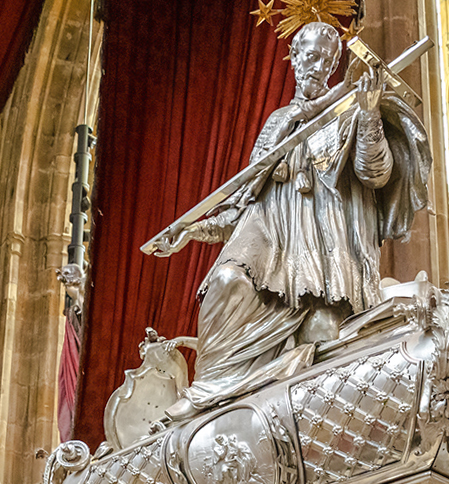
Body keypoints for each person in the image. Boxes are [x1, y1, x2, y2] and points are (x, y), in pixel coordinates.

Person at [149, 20, 431, 417]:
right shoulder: (277, 124)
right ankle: (210, 400)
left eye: (326, 60)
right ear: (295, 60)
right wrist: (189, 231)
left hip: (324, 259)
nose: (316, 66)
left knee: (322, 339)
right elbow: (243, 203)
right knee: (226, 281)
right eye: (309, 57)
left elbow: (375, 173)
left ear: (334, 66)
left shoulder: (347, 112)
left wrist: (368, 115)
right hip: (271, 255)